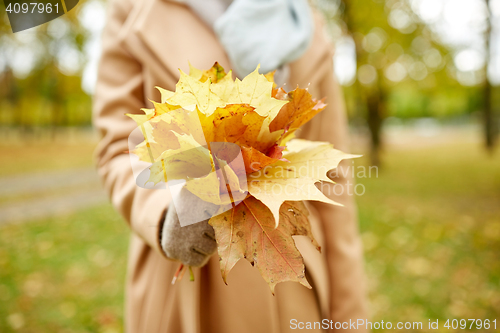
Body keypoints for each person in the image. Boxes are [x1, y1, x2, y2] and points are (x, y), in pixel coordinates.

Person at [93, 0, 368, 332]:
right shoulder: (133, 8)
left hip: (292, 278)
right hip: (190, 284)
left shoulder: (307, 20)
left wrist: (349, 317)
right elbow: (120, 146)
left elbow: (333, 182)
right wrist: (166, 210)